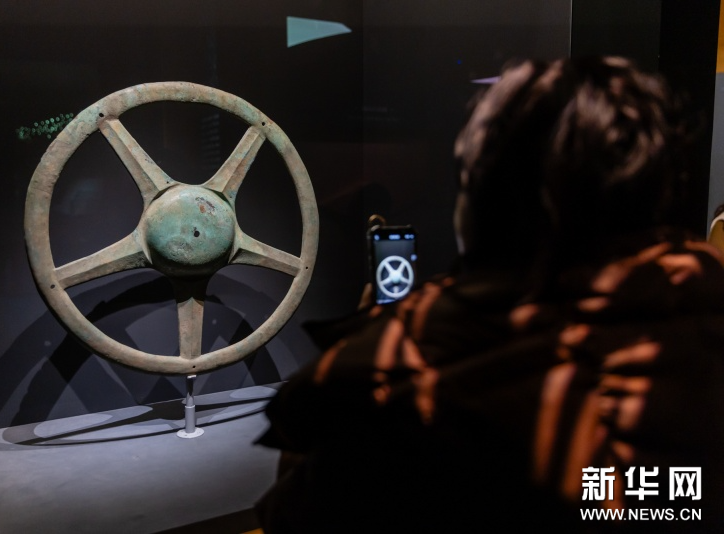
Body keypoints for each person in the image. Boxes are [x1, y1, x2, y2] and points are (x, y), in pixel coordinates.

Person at [254, 56, 724, 533]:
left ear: (480, 205)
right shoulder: (703, 330)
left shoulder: (393, 387)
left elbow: (295, 517)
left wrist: (358, 349)